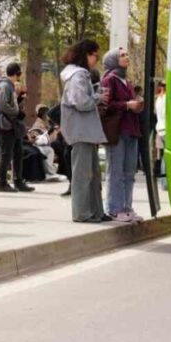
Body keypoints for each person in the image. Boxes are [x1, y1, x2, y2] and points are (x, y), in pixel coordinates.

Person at [59, 39, 109, 223]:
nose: (96, 59)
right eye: (95, 55)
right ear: (86, 54)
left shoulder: (78, 74)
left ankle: (96, 211)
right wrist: (98, 97)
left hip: (85, 131)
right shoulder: (78, 75)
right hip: (82, 131)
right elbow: (81, 101)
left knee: (93, 174)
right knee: (83, 175)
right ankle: (82, 213)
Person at [100, 48, 145, 223]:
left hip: (131, 130)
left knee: (129, 172)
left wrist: (137, 105)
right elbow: (105, 105)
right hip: (117, 131)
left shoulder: (126, 81)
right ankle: (114, 208)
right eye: (122, 55)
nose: (127, 57)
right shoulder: (109, 79)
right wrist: (127, 105)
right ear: (112, 60)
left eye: (126, 54)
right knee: (116, 171)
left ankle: (127, 207)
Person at [0, 62, 34, 192]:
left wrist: (19, 99)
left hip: (13, 125)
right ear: (17, 73)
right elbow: (3, 106)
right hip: (6, 125)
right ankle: (2, 183)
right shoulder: (4, 86)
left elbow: (11, 103)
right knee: (6, 154)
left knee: (18, 153)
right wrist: (17, 112)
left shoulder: (9, 86)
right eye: (19, 73)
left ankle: (18, 181)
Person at [154, 82, 167, 190]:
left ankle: (163, 182)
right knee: (167, 157)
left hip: (159, 129)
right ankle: (165, 182)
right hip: (166, 129)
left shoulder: (158, 98)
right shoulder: (166, 98)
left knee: (163, 156)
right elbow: (165, 113)